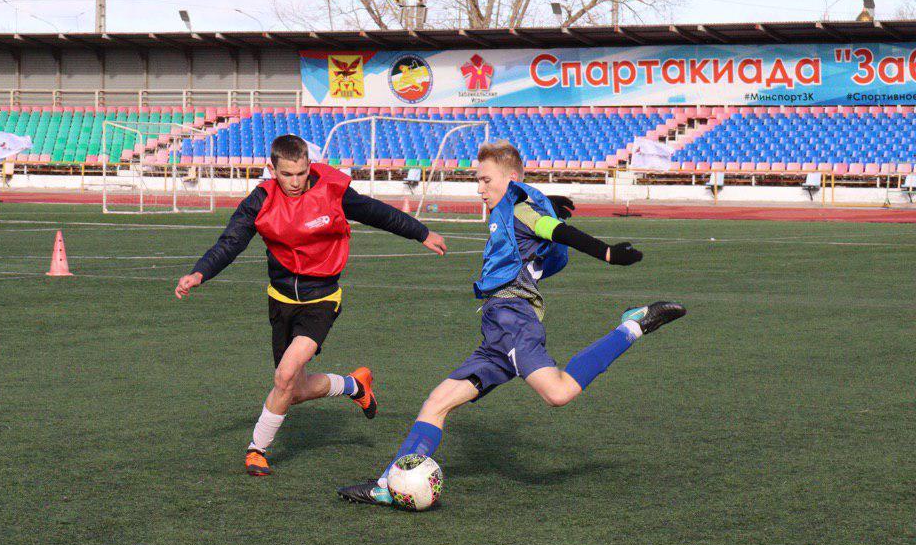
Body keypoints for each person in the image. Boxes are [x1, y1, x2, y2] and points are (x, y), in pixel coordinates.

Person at [337, 139, 685, 505]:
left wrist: (609, 253)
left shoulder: (519, 210)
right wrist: (549, 204)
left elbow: (556, 231)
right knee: (436, 402)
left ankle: (633, 325)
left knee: (559, 392)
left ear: (511, 177)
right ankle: (386, 485)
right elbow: (536, 219)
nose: (479, 188)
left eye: (486, 180)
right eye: (478, 180)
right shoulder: (514, 208)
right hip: (496, 331)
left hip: (514, 321)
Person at [176, 134, 447, 476]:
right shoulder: (259, 201)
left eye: (301, 173)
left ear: (308, 167)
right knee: (294, 389)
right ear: (272, 169)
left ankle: (257, 449)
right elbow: (230, 242)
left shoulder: (330, 189)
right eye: (287, 174)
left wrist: (421, 233)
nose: (295, 181)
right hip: (280, 300)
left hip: (322, 299)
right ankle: (354, 385)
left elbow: (376, 213)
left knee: (285, 375)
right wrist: (200, 272)